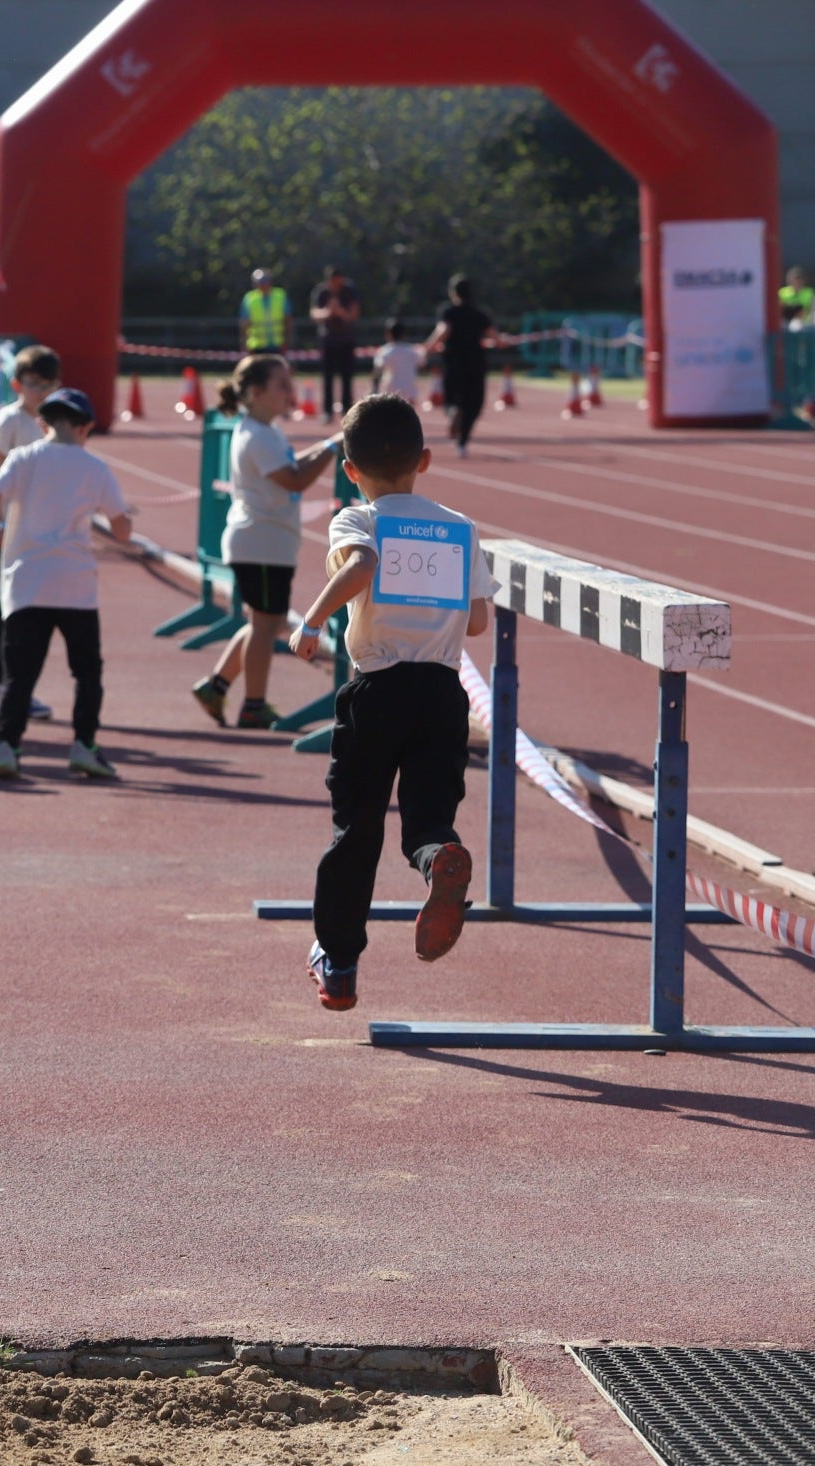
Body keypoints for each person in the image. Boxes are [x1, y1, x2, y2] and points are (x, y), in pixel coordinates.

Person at [289, 393, 490, 1010]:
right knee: (428, 819)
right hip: (442, 694)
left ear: (349, 469)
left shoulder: (359, 519)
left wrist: (312, 620)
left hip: (377, 690)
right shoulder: (459, 527)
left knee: (357, 829)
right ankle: (437, 860)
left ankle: (339, 962)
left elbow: (363, 564)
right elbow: (478, 621)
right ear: (423, 460)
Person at [0, 385, 134, 782]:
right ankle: (84, 745)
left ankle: (7, 747)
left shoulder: (23, 459)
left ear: (43, 424)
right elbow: (123, 531)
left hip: (26, 584)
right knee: (87, 672)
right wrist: (120, 520)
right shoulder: (95, 468)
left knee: (19, 675)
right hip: (75, 586)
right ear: (85, 427)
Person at [191, 354, 340, 730]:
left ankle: (216, 686)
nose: (290, 392)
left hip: (269, 542)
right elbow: (294, 479)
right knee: (263, 625)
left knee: (268, 622)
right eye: (282, 385)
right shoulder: (256, 434)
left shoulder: (265, 430)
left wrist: (325, 447)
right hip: (260, 543)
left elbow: (289, 465)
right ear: (256, 392)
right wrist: (330, 449)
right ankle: (253, 705)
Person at [0, 344, 64, 724]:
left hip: (41, 537)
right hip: (8, 535)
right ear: (17, 385)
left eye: (47, 384)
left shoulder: (58, 424)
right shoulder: (9, 421)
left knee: (31, 617)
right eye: (32, 383)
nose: (40, 391)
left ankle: (20, 687)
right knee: (1, 612)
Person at [423, 275, 493, 457]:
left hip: (453, 362)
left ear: (453, 293)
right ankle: (462, 442)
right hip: (475, 364)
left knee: (452, 397)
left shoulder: (449, 312)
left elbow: (443, 331)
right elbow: (494, 336)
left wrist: (427, 349)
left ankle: (453, 411)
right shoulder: (479, 314)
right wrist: (504, 340)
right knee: (474, 403)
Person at [310, 266, 361, 416]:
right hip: (328, 340)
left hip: (346, 339)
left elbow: (354, 313)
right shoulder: (321, 291)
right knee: (327, 377)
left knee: (347, 376)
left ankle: (347, 409)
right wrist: (328, 312)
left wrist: (340, 312)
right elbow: (314, 313)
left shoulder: (349, 290)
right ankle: (327, 410)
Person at [372, 318, 423, 404]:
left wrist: (374, 389)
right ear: (404, 334)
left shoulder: (385, 351)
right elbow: (421, 364)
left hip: (391, 392)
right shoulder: (413, 350)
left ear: (388, 334)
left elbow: (377, 370)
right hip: (410, 392)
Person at [240, 268, 288, 354]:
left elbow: (288, 320)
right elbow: (244, 323)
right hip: (256, 346)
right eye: (260, 282)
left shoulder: (280, 296)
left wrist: (286, 341)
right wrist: (245, 344)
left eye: (265, 281)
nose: (263, 284)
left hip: (277, 345)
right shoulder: (249, 298)